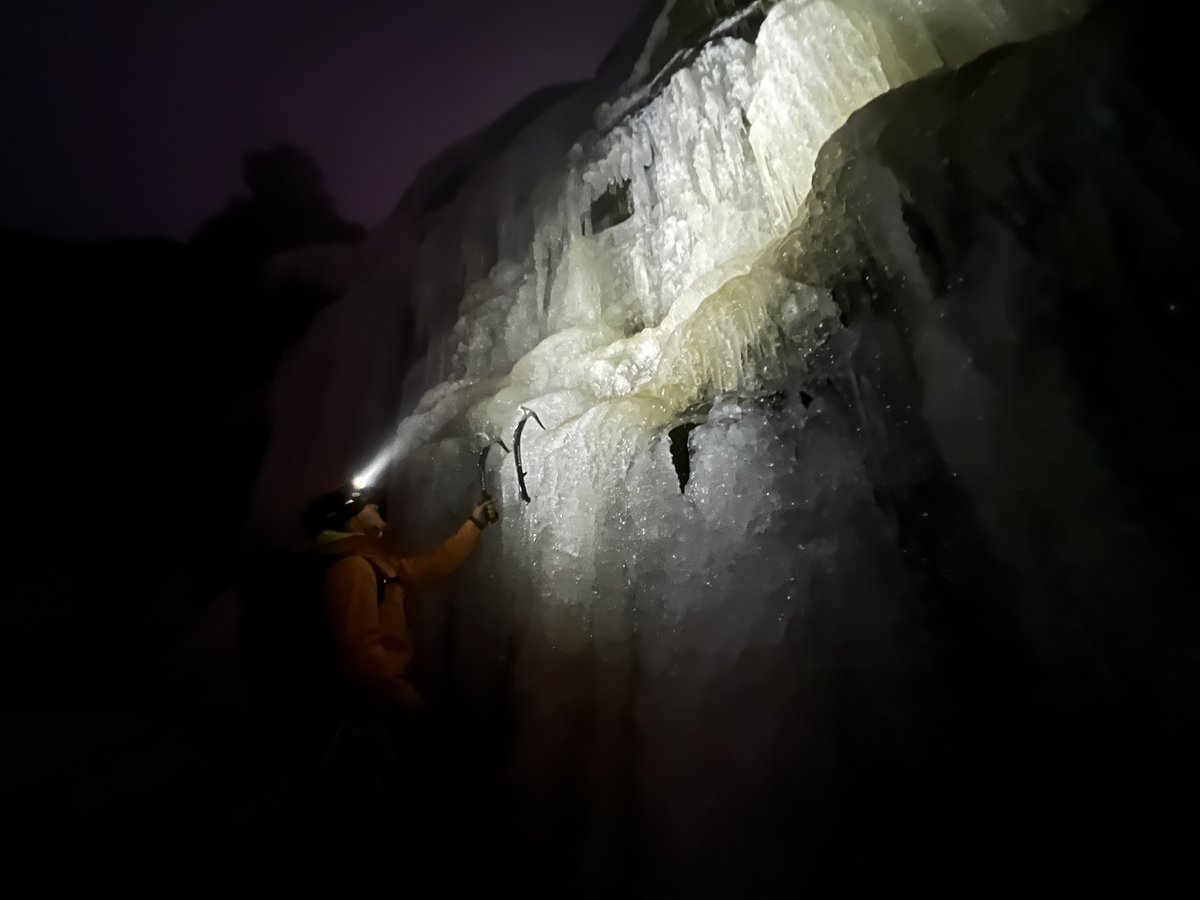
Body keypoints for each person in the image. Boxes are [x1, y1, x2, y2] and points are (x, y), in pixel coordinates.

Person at [299, 481, 499, 716]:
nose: (374, 506)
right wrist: (405, 701)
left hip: (384, 700)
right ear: (351, 521)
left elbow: (433, 566)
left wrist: (474, 526)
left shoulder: (375, 564)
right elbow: (361, 655)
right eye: (365, 507)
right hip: (376, 705)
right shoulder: (352, 569)